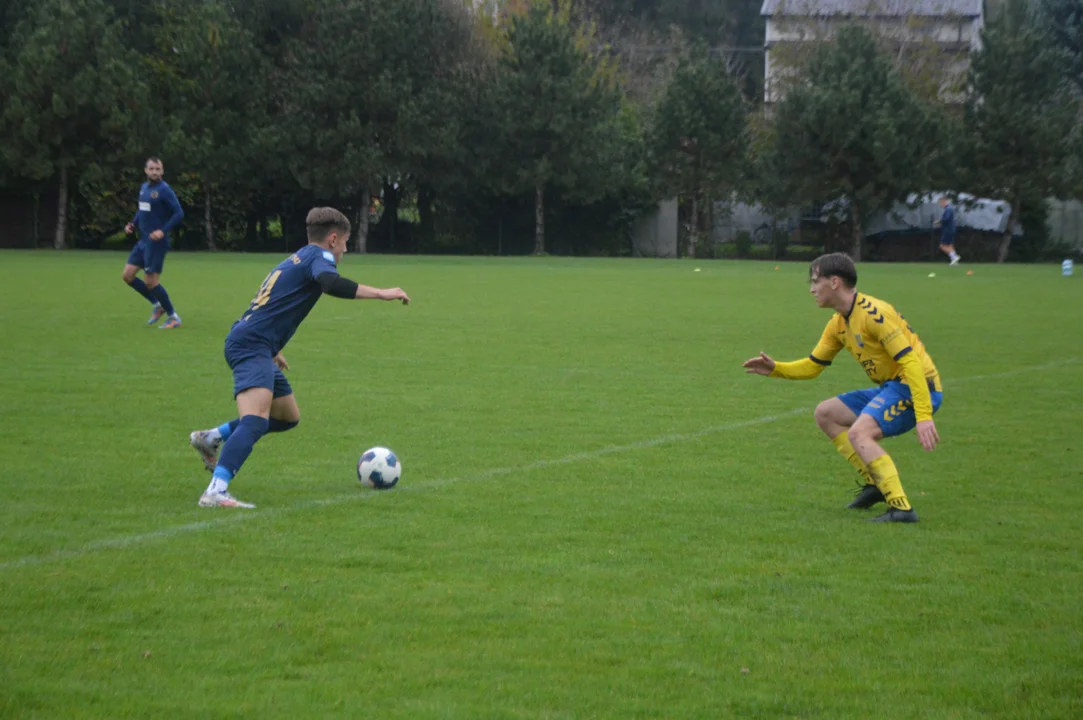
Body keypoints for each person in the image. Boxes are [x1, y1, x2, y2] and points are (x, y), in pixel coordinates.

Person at [188, 207, 410, 508]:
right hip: (251, 345)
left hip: (256, 343)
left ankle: (211, 437)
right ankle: (216, 491)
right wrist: (382, 293)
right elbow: (331, 283)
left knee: (286, 417)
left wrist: (274, 347)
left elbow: (269, 303)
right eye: (345, 243)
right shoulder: (320, 258)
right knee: (254, 421)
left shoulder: (296, 258)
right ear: (332, 239)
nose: (345, 250)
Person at [742, 253, 943, 523]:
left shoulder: (875, 314)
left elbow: (911, 362)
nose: (811, 289)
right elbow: (813, 366)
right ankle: (877, 484)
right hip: (893, 386)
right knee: (826, 413)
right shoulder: (838, 323)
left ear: (834, 282)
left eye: (815, 281)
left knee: (859, 433)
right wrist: (776, 368)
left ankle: (901, 508)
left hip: (918, 387)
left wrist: (924, 414)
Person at [122, 157, 185, 328]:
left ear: (162, 171)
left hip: (157, 243)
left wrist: (162, 231)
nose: (154, 172)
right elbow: (142, 210)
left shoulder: (165, 190)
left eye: (158, 169)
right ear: (145, 170)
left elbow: (179, 213)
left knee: (151, 282)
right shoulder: (144, 188)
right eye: (151, 169)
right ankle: (157, 306)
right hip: (143, 241)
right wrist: (133, 225)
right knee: (127, 275)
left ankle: (173, 317)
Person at [935, 195, 961, 266]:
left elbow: (946, 219)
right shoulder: (949, 209)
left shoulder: (948, 209)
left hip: (948, 230)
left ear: (944, 202)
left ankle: (955, 257)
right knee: (949, 245)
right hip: (951, 229)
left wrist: (939, 222)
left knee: (942, 245)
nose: (940, 205)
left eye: (940, 203)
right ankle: (955, 261)